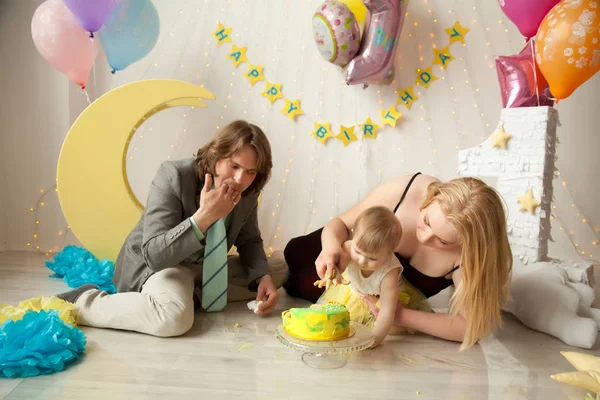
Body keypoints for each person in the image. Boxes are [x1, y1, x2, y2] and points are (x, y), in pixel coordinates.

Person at [58, 120, 289, 337]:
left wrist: (263, 276)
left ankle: (194, 294)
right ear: (217, 155)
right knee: (174, 319)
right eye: (234, 166)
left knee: (280, 270)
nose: (240, 178)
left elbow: (249, 240)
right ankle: (85, 301)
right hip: (164, 266)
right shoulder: (174, 175)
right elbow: (154, 256)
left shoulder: (248, 191)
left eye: (251, 171)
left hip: (205, 266)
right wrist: (203, 218)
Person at [284, 173, 512, 350]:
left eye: (443, 241)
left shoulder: (469, 256)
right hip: (343, 261)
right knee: (292, 257)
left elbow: (469, 328)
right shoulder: (409, 191)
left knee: (301, 288)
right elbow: (341, 224)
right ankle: (271, 266)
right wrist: (331, 248)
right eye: (426, 221)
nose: (424, 237)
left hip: (375, 306)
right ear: (430, 198)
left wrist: (400, 315)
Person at [316, 206, 409, 348]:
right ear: (353, 235)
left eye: (372, 258)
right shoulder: (348, 247)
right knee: (337, 323)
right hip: (355, 292)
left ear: (390, 252)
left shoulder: (390, 273)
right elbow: (336, 269)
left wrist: (375, 339)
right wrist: (334, 275)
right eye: (358, 252)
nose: (362, 261)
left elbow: (387, 312)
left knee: (377, 326)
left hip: (378, 300)